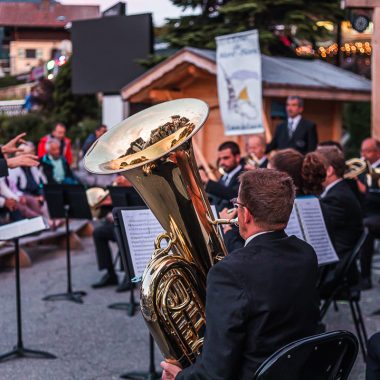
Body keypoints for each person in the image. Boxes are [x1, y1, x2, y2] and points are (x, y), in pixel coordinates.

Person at [161, 169, 321, 380]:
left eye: (237, 204)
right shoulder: (305, 253)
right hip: (298, 371)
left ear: (245, 215)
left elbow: (214, 374)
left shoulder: (229, 272)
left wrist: (180, 376)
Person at [317, 146, 363, 290]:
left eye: (316, 168)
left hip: (334, 271)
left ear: (329, 171)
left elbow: (319, 234)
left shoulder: (337, 198)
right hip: (332, 263)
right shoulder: (337, 191)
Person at [91, 175, 141, 291]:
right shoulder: (119, 184)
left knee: (120, 234)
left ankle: (129, 276)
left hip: (138, 221)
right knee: (98, 233)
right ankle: (110, 273)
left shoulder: (137, 180)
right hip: (122, 220)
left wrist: (130, 184)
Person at [357, 138, 380, 289]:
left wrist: (360, 186)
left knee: (365, 227)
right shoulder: (364, 168)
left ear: (378, 152)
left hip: (377, 213)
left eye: (367, 151)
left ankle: (365, 277)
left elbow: (375, 197)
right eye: (362, 151)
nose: (363, 154)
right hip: (367, 213)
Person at [200, 141, 244, 212]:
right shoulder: (225, 174)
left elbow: (235, 195)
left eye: (226, 158)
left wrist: (208, 182)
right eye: (220, 159)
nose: (221, 162)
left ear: (237, 158)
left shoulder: (244, 175)